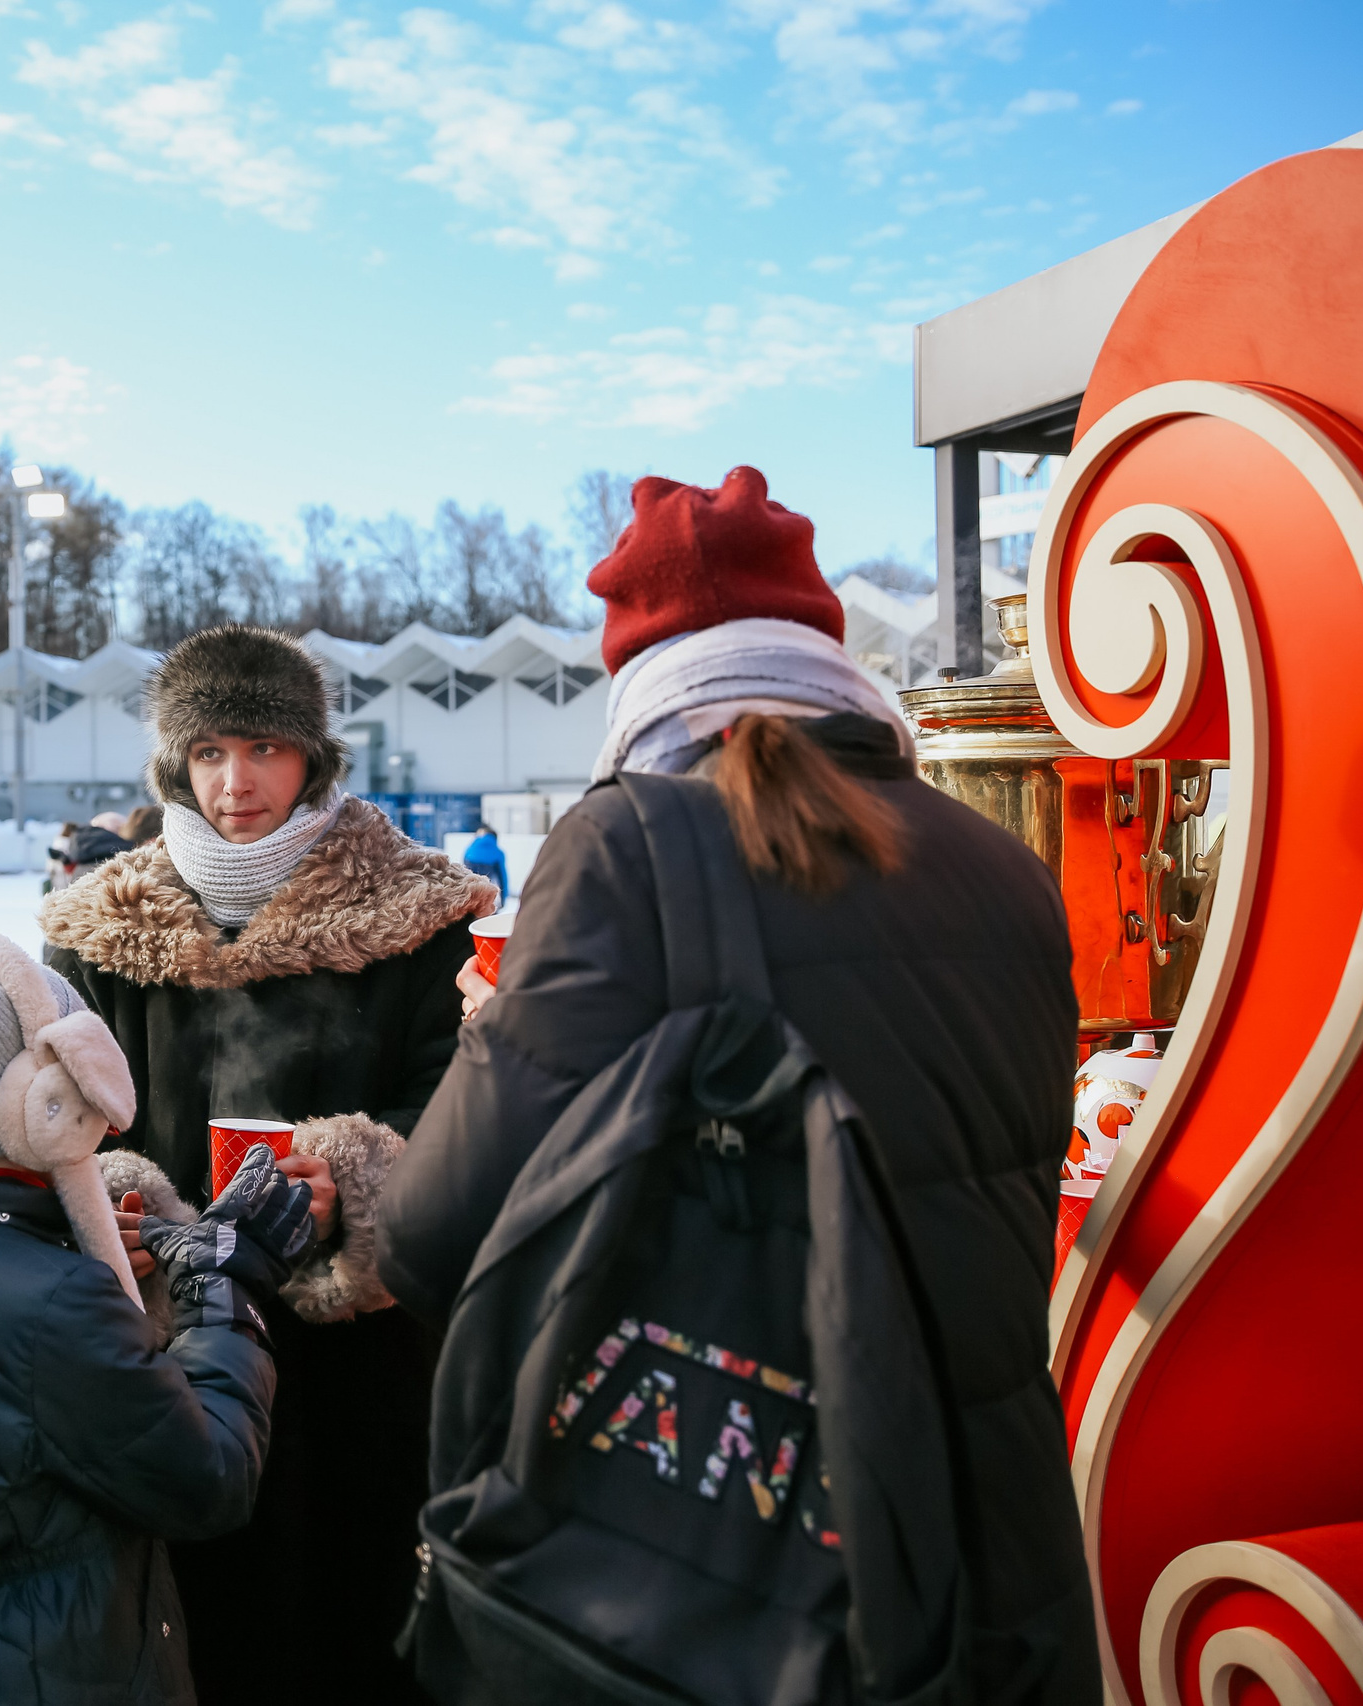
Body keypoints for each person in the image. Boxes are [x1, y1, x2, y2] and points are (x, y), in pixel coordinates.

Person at [378, 467, 1099, 1703]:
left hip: (752, 1564)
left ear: (644, 678)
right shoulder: (1006, 864)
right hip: (1004, 1539)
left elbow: (431, 1231)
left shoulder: (629, 846)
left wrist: (503, 1036)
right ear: (823, 650)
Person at [41, 623, 494, 1705]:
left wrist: (360, 1173)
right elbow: (58, 1105)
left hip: (356, 1349)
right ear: (174, 765)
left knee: (352, 1608)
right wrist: (127, 1198)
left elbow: (462, 1096)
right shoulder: (100, 925)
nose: (234, 781)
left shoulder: (418, 911)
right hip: (167, 1340)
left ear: (312, 759)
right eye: (208, 753)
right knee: (198, 1615)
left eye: (262, 749)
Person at [0, 928, 312, 1704]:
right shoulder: (55, 1302)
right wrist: (224, 1283)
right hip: (59, 1665)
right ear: (40, 1098)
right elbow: (210, 1478)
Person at [459, 821, 510, 899]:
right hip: (487, 894)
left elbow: (463, 873)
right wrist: (504, 897)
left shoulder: (469, 850)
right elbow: (502, 877)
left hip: (469, 894)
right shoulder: (498, 853)